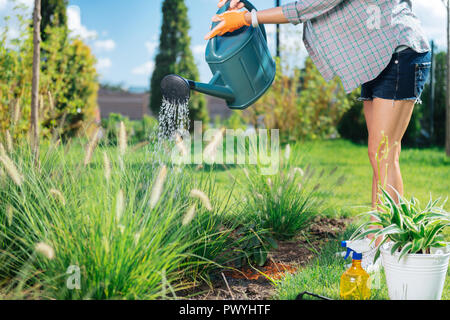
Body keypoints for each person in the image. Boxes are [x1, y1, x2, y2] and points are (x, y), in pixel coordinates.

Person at [205, 0, 431, 245]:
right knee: (379, 155)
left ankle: (387, 245)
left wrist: (250, 19)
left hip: (399, 49)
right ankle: (378, 238)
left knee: (384, 153)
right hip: (374, 55)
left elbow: (310, 5)